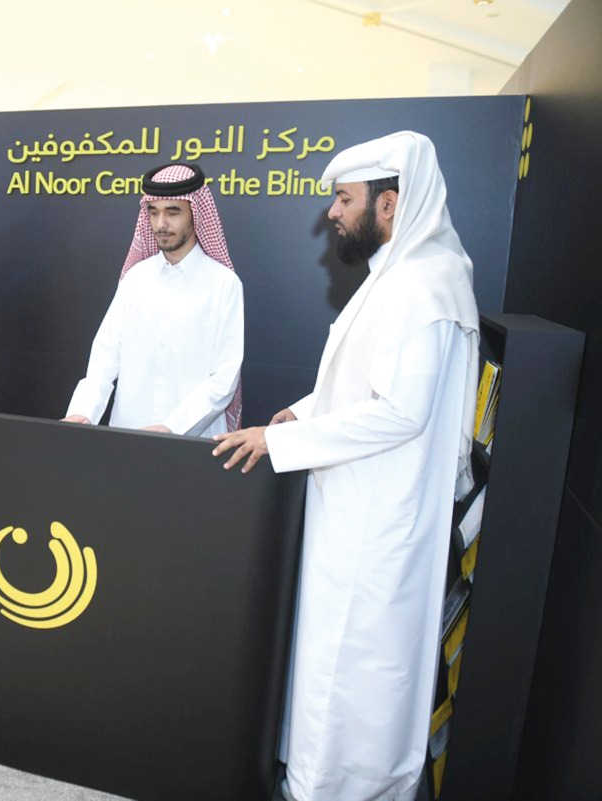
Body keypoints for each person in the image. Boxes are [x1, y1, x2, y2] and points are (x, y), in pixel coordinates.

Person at [213, 131, 480, 801]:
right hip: (356, 505)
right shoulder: (399, 275)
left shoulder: (425, 284)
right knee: (334, 660)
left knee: (355, 667)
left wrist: (281, 444)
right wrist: (304, 413)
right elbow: (359, 383)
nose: (332, 212)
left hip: (378, 519)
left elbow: (400, 412)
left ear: (389, 204)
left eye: (343, 198)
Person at [62, 163, 243, 437]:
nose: (161, 224)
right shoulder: (135, 278)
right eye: (153, 212)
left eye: (173, 212)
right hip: (127, 437)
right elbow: (105, 356)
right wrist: (83, 412)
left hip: (192, 440)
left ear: (196, 214)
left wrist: (172, 427)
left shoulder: (222, 283)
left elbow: (224, 378)